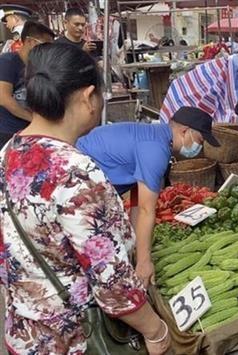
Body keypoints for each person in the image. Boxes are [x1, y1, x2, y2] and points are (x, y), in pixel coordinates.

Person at [0, 43, 170, 354]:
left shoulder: (8, 152)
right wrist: (155, 329)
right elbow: (112, 281)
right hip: (76, 340)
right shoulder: (77, 172)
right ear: (88, 96)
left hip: (23, 335)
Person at [77, 107, 219, 287]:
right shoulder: (156, 150)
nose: (200, 146)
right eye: (200, 139)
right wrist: (144, 262)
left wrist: (137, 245)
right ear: (185, 131)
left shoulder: (156, 136)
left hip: (88, 173)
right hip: (80, 180)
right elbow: (146, 209)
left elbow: (137, 197)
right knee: (97, 254)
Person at [0, 21, 54, 148]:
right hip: (7, 132)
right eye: (45, 46)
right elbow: (4, 99)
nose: (47, 51)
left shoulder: (38, 66)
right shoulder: (7, 62)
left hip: (29, 130)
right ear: (30, 41)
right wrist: (33, 119)